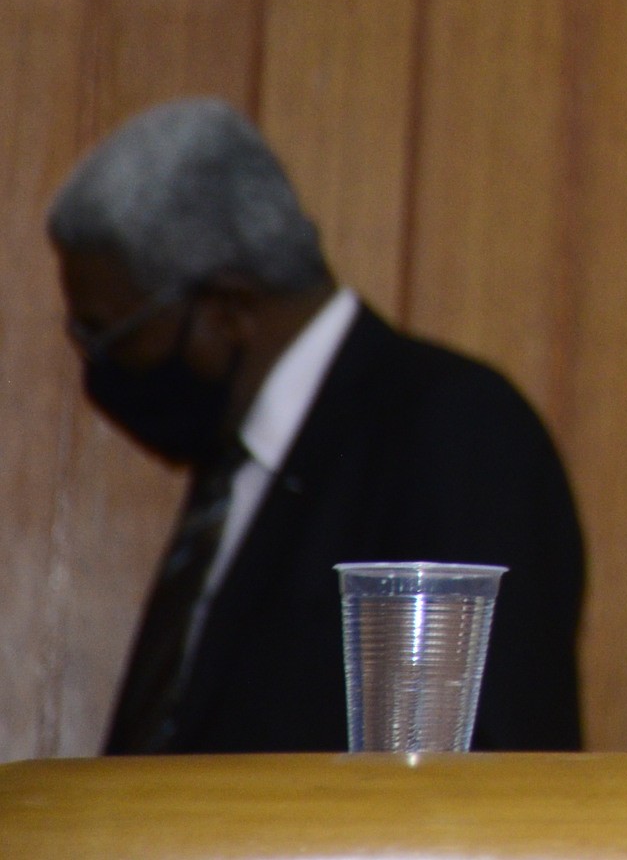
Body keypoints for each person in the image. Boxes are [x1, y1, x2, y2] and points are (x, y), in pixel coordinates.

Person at [50, 98, 587, 753]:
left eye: (110, 336)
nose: (99, 370)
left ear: (230, 308)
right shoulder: (236, 467)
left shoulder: (458, 432)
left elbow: (496, 758)